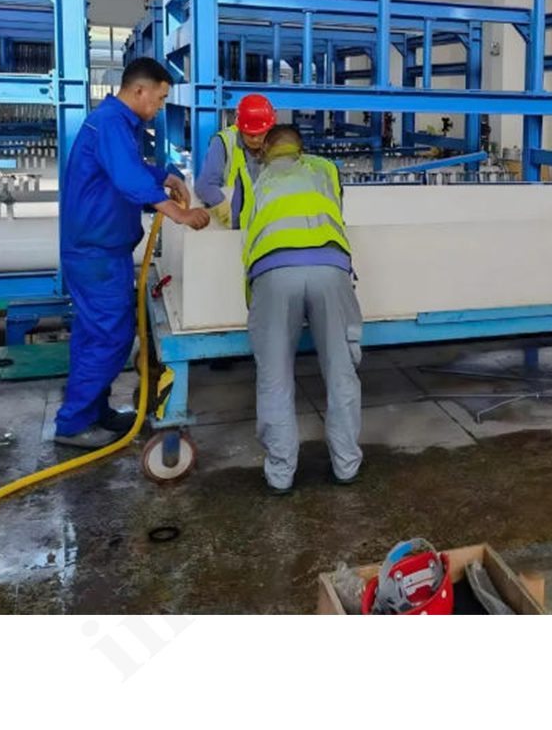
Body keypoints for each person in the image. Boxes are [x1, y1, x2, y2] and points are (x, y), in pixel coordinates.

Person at [54, 57, 211, 449]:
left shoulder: (116, 123)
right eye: (159, 98)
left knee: (94, 336)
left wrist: (164, 176)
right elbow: (126, 177)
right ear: (139, 90)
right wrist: (178, 213)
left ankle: (93, 411)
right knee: (111, 336)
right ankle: (73, 424)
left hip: (100, 251)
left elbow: (124, 168)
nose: (159, 107)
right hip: (97, 255)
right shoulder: (111, 122)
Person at [241, 124, 362, 494]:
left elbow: (241, 226)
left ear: (266, 149)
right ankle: (346, 466)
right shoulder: (324, 170)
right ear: (301, 149)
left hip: (274, 272)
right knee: (340, 371)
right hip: (330, 269)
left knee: (275, 376)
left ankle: (280, 474)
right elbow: (338, 207)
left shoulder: (253, 177)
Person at [194, 92, 276, 229]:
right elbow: (204, 185)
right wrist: (226, 211)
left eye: (260, 133)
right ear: (240, 127)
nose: (256, 139)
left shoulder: (276, 144)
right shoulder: (223, 143)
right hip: (233, 228)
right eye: (250, 134)